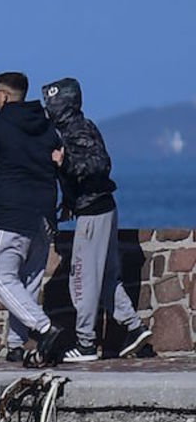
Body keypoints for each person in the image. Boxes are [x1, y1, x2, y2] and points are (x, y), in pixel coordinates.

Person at [41, 77, 152, 362]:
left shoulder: (76, 129)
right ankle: (134, 328)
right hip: (99, 208)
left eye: (51, 103)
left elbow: (99, 164)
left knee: (82, 280)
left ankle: (86, 344)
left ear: (62, 103)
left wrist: (63, 162)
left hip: (93, 215)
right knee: (105, 279)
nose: (47, 109)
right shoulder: (78, 127)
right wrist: (69, 202)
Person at [0, 72, 62, 366]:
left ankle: (45, 328)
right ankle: (16, 345)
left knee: (1, 277)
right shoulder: (46, 127)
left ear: (3, 95)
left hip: (10, 215)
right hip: (44, 215)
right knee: (28, 281)